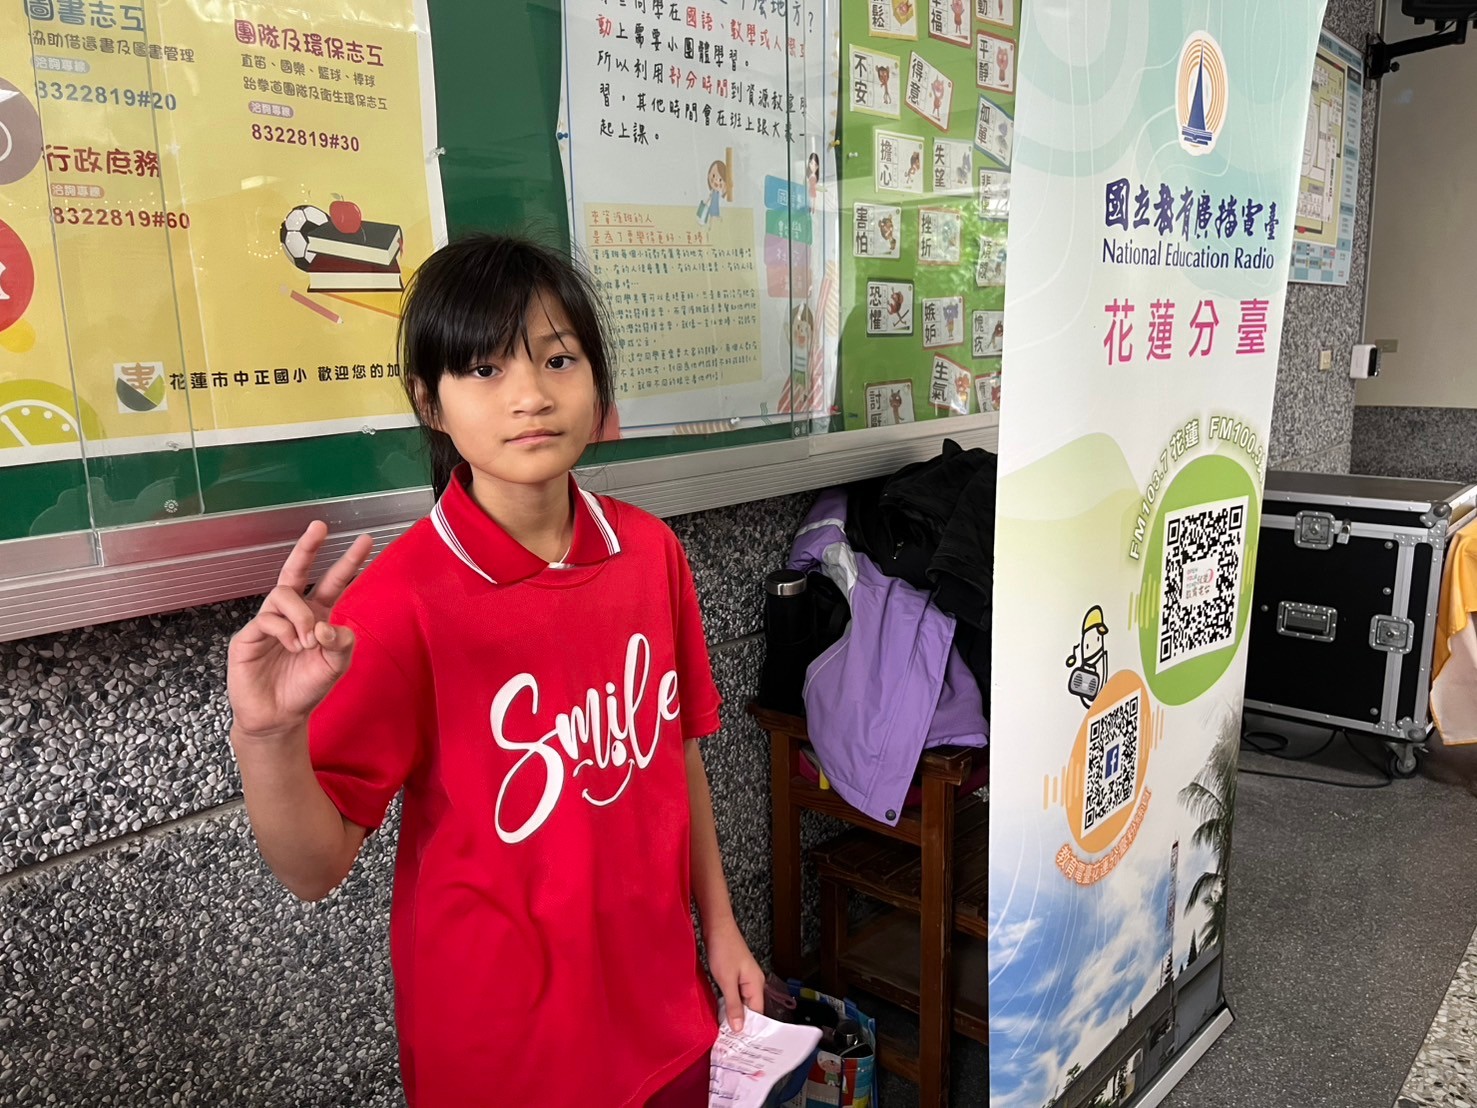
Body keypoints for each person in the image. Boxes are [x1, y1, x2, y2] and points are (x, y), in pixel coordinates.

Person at [227, 234, 763, 1107]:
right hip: (500, 1046)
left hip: (663, 1010)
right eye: (483, 368)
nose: (530, 395)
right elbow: (312, 868)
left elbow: (679, 757)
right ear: (428, 402)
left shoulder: (649, 553)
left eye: (558, 359)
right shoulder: (397, 603)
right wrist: (267, 734)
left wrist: (721, 929)